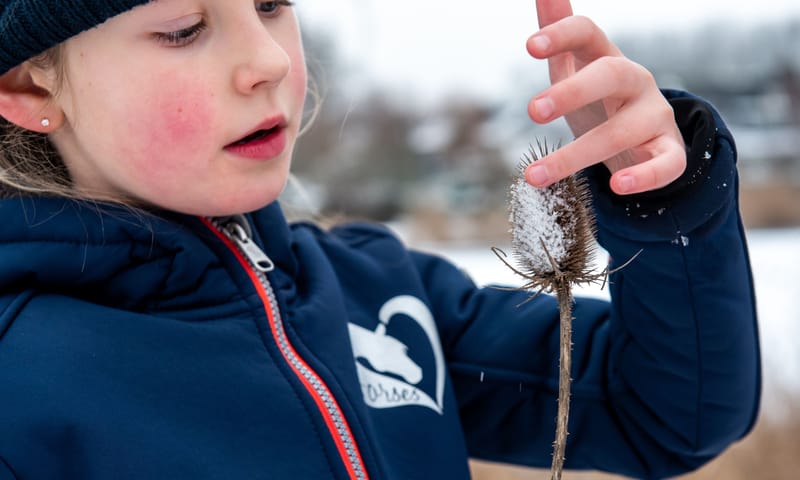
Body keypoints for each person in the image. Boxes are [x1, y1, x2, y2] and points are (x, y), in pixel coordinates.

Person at [0, 0, 760, 479]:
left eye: (271, 4)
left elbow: (662, 415)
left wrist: (666, 199)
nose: (266, 61)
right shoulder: (22, 385)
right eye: (183, 28)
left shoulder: (383, 295)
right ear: (34, 88)